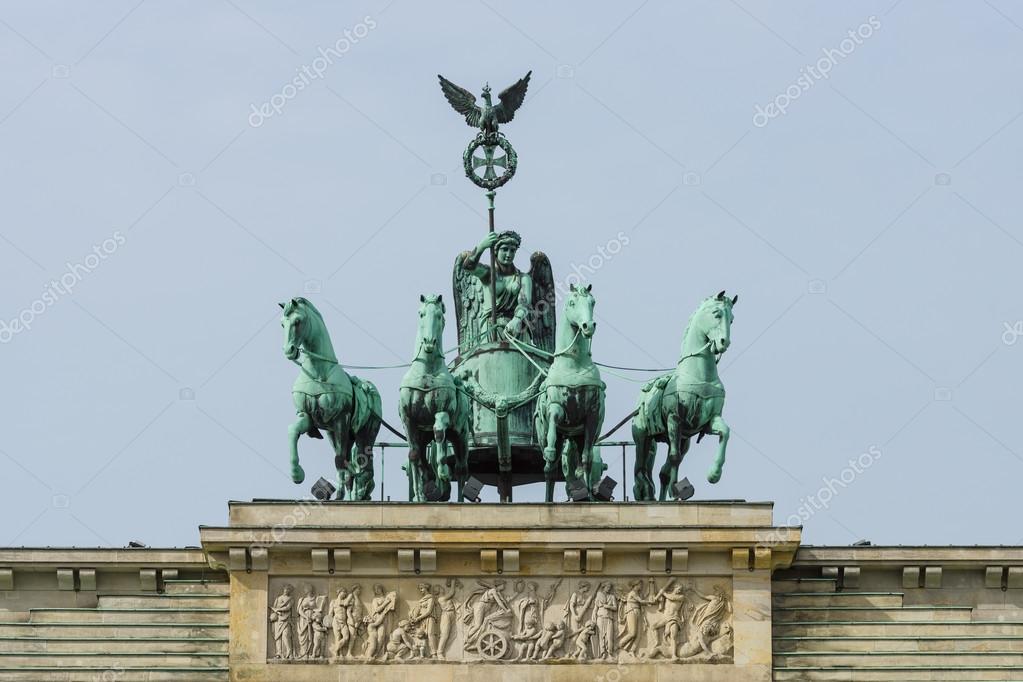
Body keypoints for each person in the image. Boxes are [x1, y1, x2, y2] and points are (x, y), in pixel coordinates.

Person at [462, 230, 533, 341]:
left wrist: (516, 320)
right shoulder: (487, 274)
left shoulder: (523, 278)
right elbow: (468, 267)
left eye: (512, 250)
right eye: (504, 249)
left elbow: (524, 304)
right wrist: (482, 246)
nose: (509, 254)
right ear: (496, 251)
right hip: (491, 329)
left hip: (516, 329)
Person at [363, 584, 397, 660]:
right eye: (375, 589)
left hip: (386, 619)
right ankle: (372, 654)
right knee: (376, 638)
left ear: (381, 589)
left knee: (382, 636)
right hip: (377, 619)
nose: (376, 590)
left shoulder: (387, 597)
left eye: (378, 588)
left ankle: (378, 654)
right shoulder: (375, 599)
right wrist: (386, 602)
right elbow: (377, 610)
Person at [591, 581, 618, 660]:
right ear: (604, 587)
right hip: (600, 617)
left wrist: (608, 606)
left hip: (609, 618)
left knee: (609, 636)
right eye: (607, 587)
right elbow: (595, 609)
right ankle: (603, 653)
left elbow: (615, 607)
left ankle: (610, 653)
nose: (609, 589)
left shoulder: (612, 596)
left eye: (610, 587)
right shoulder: (599, 595)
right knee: (601, 636)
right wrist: (593, 620)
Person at [269, 584, 295, 659]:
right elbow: (274, 608)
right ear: (283, 589)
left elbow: (288, 607)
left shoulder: (291, 599)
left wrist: (279, 609)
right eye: (286, 589)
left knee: (286, 636)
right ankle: (279, 653)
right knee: (278, 637)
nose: (287, 590)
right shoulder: (278, 598)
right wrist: (275, 613)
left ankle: (289, 652)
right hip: (278, 620)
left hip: (286, 620)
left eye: (288, 589)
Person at [295, 584, 317, 659]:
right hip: (304, 618)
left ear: (309, 589)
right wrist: (306, 617)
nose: (304, 590)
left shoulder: (315, 598)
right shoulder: (302, 599)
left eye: (305, 589)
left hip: (313, 619)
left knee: (312, 635)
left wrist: (314, 616)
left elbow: (318, 609)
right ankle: (303, 653)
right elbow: (299, 610)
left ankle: (311, 653)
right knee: (303, 635)